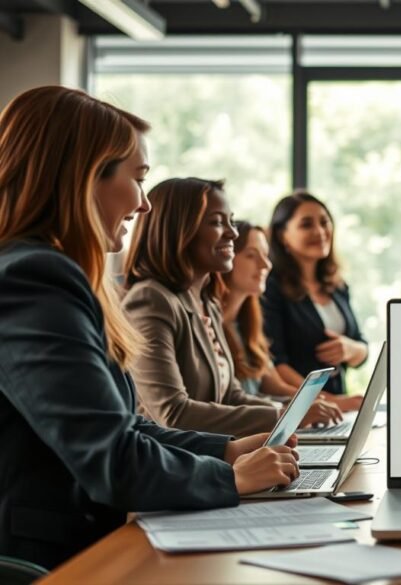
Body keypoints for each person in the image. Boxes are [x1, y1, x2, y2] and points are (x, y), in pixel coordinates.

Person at [0, 86, 300, 568]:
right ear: (84, 178)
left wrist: (226, 450)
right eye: (138, 179)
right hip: (51, 560)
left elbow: (125, 424)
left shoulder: (57, 274)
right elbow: (112, 458)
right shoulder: (35, 279)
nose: (143, 205)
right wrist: (232, 479)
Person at [123, 179, 340, 436]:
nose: (232, 233)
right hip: (174, 467)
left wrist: (294, 411)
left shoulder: (206, 302)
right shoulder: (150, 300)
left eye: (230, 221)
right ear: (178, 230)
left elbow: (231, 395)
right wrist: (284, 416)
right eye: (216, 222)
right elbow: (173, 413)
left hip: (214, 458)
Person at [220, 221, 339, 415]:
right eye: (251, 255)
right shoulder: (209, 325)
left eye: (266, 255)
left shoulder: (247, 324)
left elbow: (275, 386)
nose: (265, 265)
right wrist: (292, 412)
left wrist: (330, 403)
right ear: (225, 259)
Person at [264, 191, 368, 410]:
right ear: (283, 235)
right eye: (306, 224)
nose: (319, 231)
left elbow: (362, 349)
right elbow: (276, 365)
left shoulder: (337, 285)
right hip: (299, 412)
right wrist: (334, 402)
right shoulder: (271, 288)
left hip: (338, 410)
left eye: (324, 222)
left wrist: (350, 349)